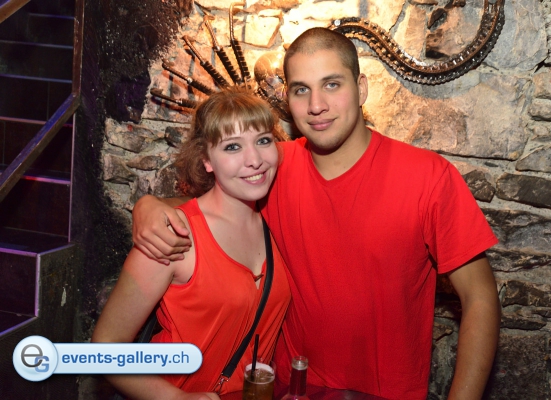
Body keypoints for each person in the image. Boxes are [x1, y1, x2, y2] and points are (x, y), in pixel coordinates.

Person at [131, 28, 501, 400]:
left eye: (332, 84)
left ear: (361, 89)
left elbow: (480, 297)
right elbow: (212, 208)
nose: (316, 105)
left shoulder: (428, 177)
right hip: (290, 389)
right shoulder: (271, 167)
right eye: (301, 90)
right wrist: (150, 207)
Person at [92, 86, 291, 399]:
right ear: (206, 160)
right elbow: (105, 348)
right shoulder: (173, 235)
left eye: (263, 141)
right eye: (232, 147)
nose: (254, 160)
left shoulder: (278, 222)